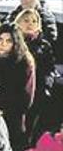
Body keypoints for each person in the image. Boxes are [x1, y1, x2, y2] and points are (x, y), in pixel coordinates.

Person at [0, 23, 36, 151]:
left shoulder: (24, 63)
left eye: (8, 41)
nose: (3, 44)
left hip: (12, 119)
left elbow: (26, 99)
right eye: (0, 39)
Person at [14, 8, 60, 142]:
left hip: (36, 95)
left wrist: (46, 87)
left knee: (28, 133)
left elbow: (50, 70)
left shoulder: (44, 46)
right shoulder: (12, 42)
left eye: (34, 21)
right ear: (18, 22)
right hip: (14, 94)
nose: (30, 24)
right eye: (26, 20)